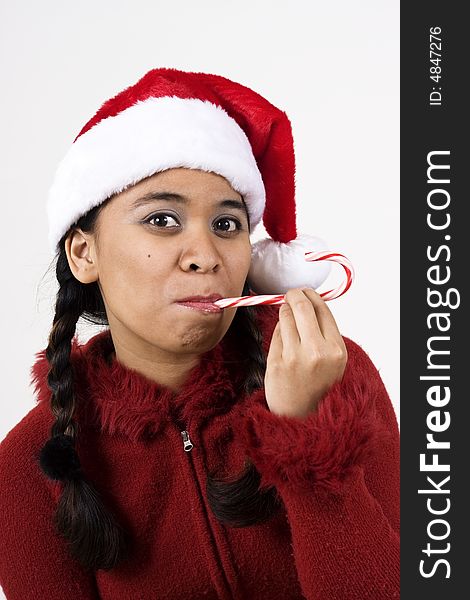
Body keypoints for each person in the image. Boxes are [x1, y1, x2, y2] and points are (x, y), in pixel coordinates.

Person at [0, 68, 399, 599]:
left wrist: (307, 435)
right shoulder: (27, 464)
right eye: (162, 220)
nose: (205, 257)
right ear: (83, 253)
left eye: (227, 225)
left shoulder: (332, 376)